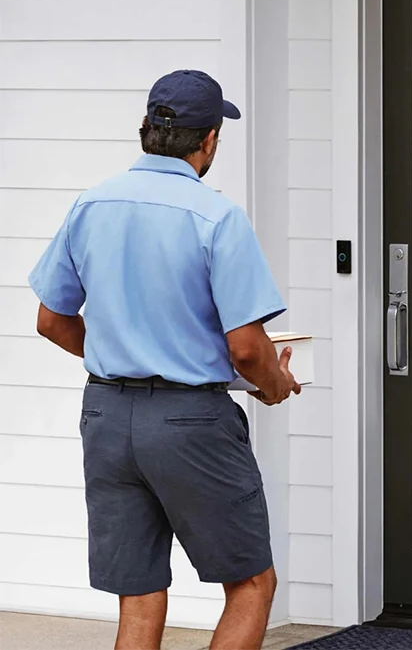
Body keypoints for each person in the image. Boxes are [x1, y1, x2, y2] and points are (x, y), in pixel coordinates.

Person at [28, 69, 300, 650]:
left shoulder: (90, 205)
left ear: (145, 129)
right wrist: (275, 383)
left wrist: (120, 353)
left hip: (106, 417)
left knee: (140, 593)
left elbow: (51, 320)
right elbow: (247, 348)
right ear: (210, 141)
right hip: (189, 423)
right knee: (252, 583)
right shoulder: (216, 217)